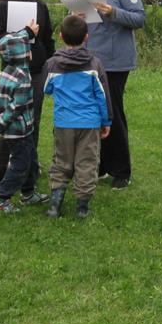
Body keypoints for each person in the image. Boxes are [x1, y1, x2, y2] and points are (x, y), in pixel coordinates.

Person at [75, 0, 145, 189]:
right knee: (95, 114)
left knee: (112, 113)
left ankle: (121, 170)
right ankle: (102, 165)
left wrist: (113, 11)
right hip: (89, 58)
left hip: (115, 61)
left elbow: (139, 18)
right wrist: (76, 17)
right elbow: (79, 26)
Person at [0, 0, 55, 197]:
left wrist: (52, 63)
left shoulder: (41, 6)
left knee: (32, 122)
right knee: (9, 121)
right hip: (13, 72)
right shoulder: (4, 6)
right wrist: (22, 34)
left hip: (37, 70)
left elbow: (47, 38)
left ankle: (28, 176)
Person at [43, 14, 111, 219]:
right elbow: (103, 95)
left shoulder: (52, 64)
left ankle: (55, 204)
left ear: (61, 36)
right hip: (90, 124)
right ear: (86, 37)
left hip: (63, 123)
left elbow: (46, 88)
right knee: (87, 162)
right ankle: (82, 207)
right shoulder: (94, 64)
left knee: (61, 161)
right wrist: (106, 121)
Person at [0, 27, 44, 213]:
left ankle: (28, 193)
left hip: (23, 129)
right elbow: (16, 106)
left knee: (31, 161)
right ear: (23, 54)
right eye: (27, 48)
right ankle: (2, 199)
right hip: (17, 131)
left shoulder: (7, 71)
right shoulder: (23, 77)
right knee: (20, 165)